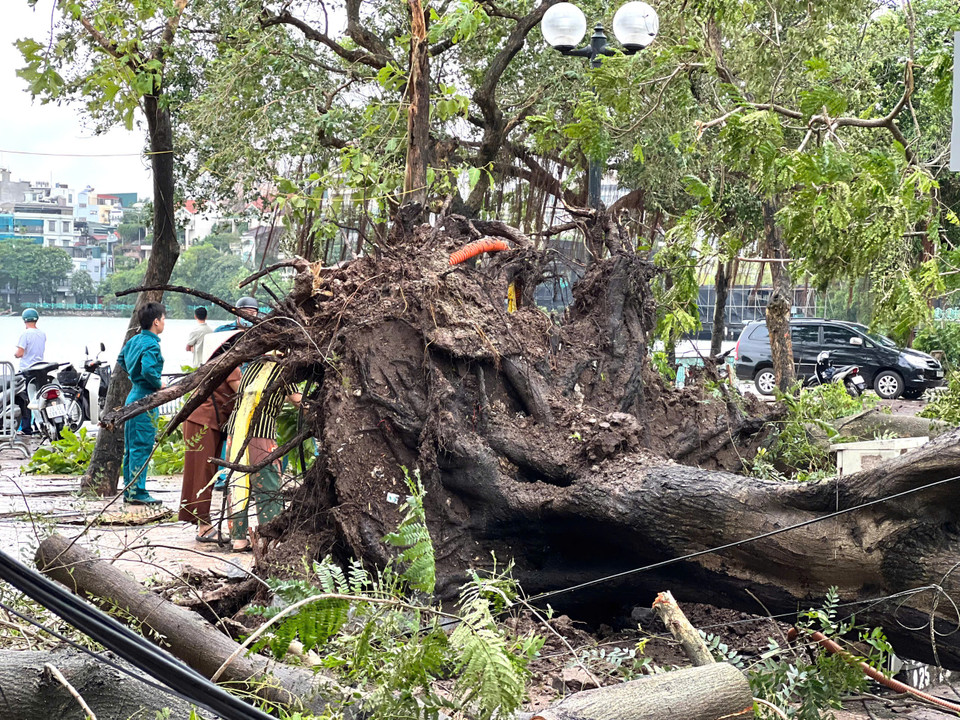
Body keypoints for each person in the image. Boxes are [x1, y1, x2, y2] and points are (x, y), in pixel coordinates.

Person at [224, 355, 301, 552]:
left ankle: (238, 539)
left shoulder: (252, 366)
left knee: (237, 482)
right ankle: (268, 538)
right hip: (261, 433)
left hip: (235, 431)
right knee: (268, 485)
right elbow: (299, 401)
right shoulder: (285, 370)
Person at [180, 364, 242, 543]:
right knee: (203, 472)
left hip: (203, 420)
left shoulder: (218, 364)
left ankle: (199, 519)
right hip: (203, 421)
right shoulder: (231, 367)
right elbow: (244, 392)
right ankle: (204, 525)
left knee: (203, 470)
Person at [118, 302, 166, 505]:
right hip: (145, 398)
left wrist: (133, 375)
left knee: (131, 447)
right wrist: (158, 383)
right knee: (142, 445)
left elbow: (121, 359)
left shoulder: (134, 340)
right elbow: (148, 369)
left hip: (133, 395)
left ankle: (130, 489)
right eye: (163, 319)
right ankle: (137, 491)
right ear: (156, 322)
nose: (164, 323)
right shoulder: (152, 344)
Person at [14, 308, 46, 434]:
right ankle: (38, 426)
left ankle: (26, 428)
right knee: (37, 398)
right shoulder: (42, 333)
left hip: (26, 370)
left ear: (24, 320)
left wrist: (15, 355)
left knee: (25, 399)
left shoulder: (25, 334)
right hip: (40, 369)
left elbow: (20, 353)